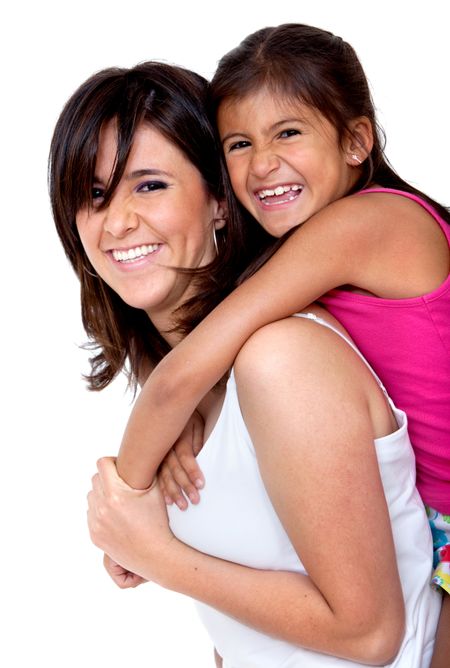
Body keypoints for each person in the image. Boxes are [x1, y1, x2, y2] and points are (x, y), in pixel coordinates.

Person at [49, 59, 441, 667]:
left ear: (221, 204)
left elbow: (368, 636)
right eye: (94, 195)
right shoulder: (189, 393)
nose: (118, 221)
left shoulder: (279, 356)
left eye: (150, 184)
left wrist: (143, 539)